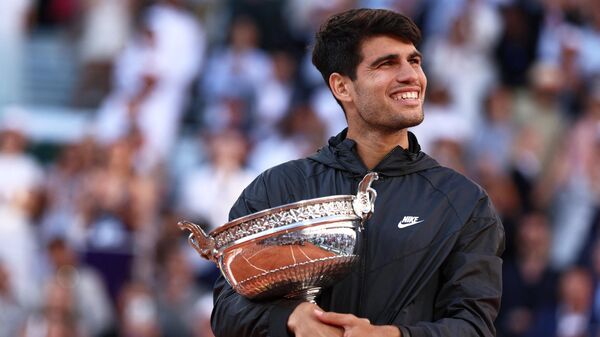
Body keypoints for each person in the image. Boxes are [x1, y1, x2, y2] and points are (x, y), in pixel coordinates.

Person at [211, 8, 505, 337]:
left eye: (414, 61)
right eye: (387, 63)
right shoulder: (277, 188)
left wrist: (390, 335)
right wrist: (291, 318)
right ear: (342, 87)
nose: (411, 75)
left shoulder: (463, 202)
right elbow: (227, 307)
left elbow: (474, 326)